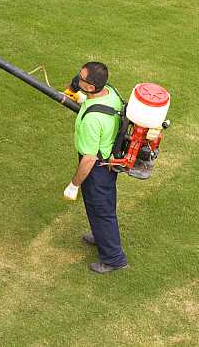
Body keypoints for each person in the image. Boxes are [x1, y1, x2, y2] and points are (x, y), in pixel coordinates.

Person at [63, 61, 128, 274]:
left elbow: (89, 159)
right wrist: (79, 96)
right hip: (105, 161)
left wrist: (74, 185)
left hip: (97, 167)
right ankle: (100, 235)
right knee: (97, 206)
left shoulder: (93, 121)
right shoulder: (110, 91)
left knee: (101, 209)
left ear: (91, 87)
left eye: (81, 78)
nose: (77, 79)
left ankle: (113, 259)